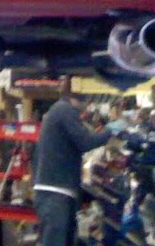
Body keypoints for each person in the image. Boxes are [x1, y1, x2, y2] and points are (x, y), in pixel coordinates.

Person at [32, 79, 112, 246]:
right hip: (55, 193)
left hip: (56, 192)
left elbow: (79, 140)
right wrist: (110, 132)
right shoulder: (65, 110)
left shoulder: (60, 110)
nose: (88, 106)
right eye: (88, 101)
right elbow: (85, 141)